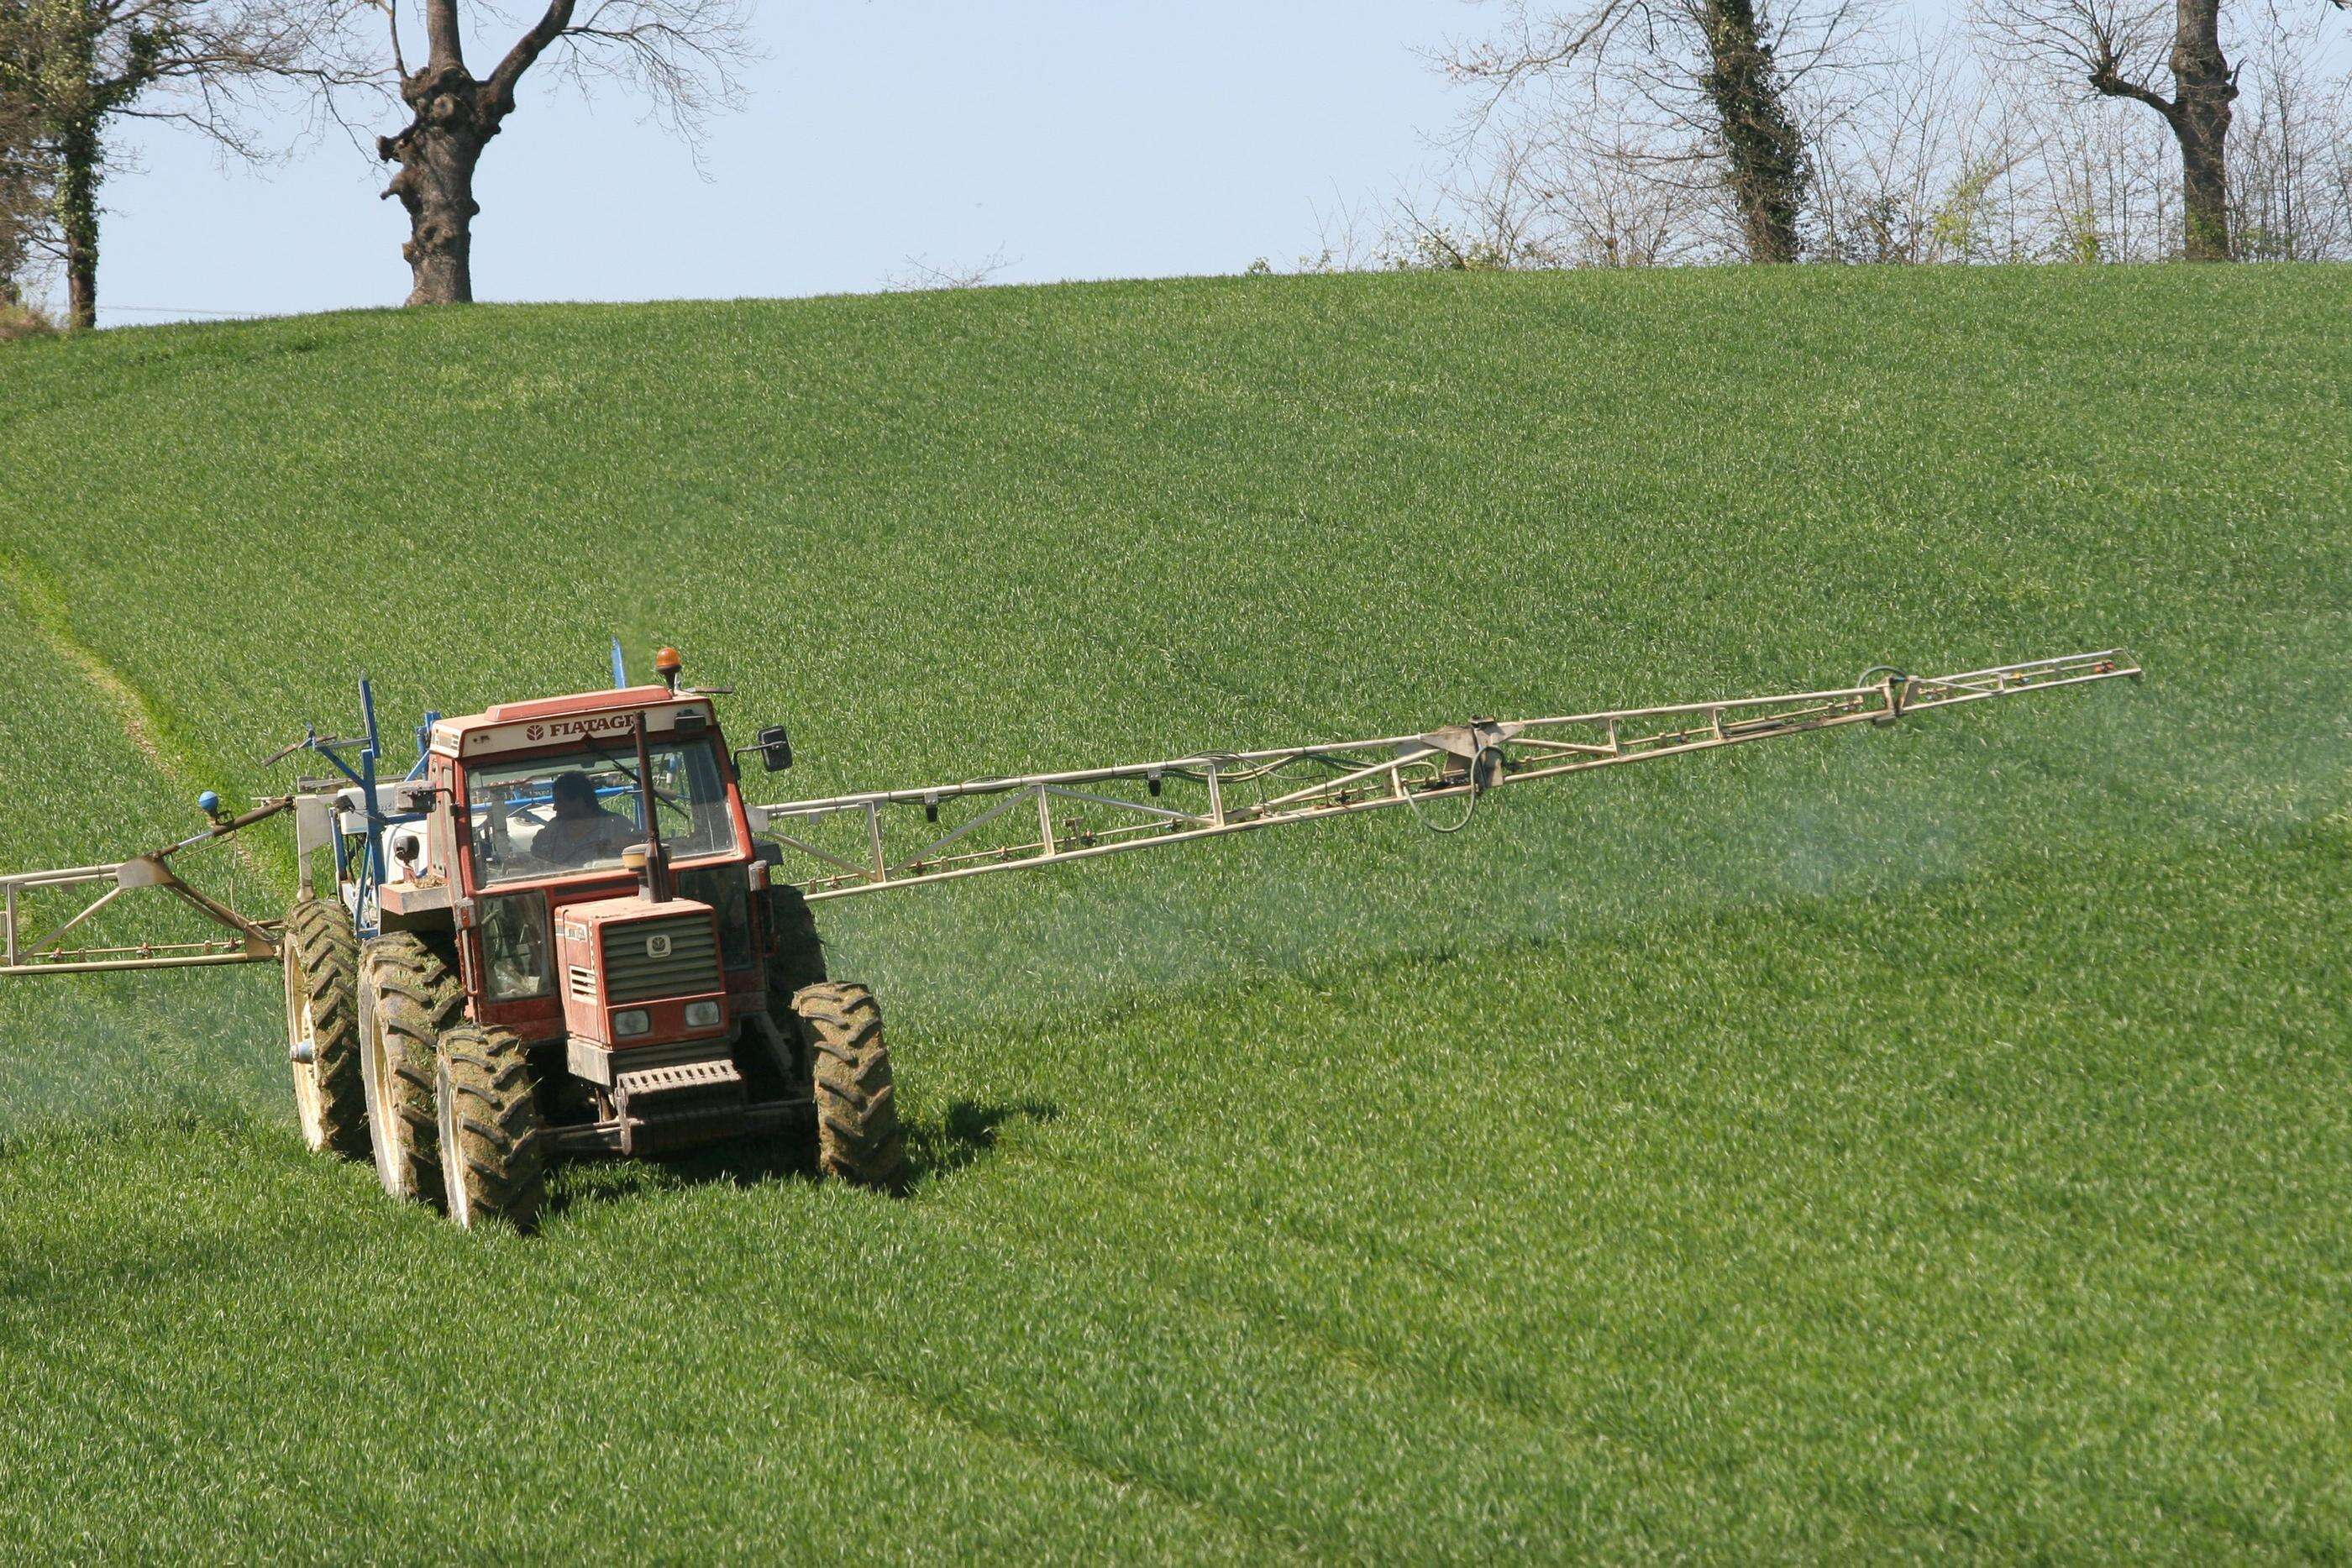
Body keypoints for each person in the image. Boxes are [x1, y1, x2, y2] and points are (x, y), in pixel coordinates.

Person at [532, 771, 637, 868]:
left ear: (579, 801)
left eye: (560, 801)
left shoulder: (617, 826)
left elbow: (636, 859)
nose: (555, 807)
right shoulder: (552, 830)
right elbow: (536, 861)